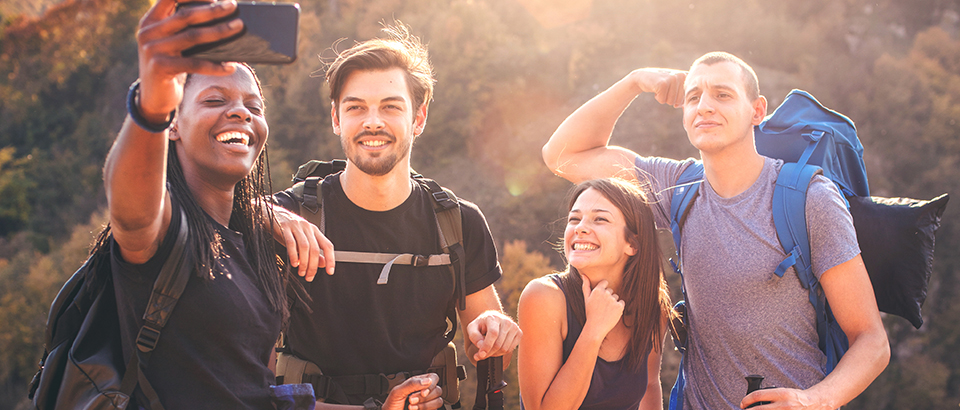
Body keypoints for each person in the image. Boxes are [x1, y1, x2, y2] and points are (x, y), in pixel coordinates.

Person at [103, 1, 442, 409]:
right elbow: (131, 210)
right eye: (214, 101)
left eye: (254, 106)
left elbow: (259, 398)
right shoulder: (166, 231)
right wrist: (151, 105)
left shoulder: (251, 247)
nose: (240, 113)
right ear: (173, 122)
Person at [541, 52, 889, 409]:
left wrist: (813, 401)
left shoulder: (809, 200)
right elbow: (562, 155)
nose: (704, 106)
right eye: (693, 97)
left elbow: (872, 340)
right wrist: (634, 82)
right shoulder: (677, 188)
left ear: (756, 110)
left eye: (722, 94)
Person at [270, 23, 522, 408]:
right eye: (356, 108)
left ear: (418, 119)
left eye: (391, 106)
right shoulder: (288, 216)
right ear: (336, 118)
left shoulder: (458, 223)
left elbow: (481, 341)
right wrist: (264, 210)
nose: (373, 122)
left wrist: (496, 331)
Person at [517, 178, 673, 410]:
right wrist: (594, 330)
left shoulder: (652, 309)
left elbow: (650, 385)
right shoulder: (544, 297)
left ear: (632, 244)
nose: (580, 227)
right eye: (574, 219)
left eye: (600, 219)